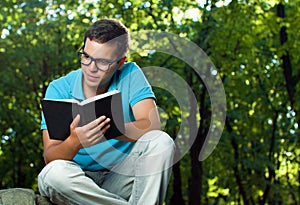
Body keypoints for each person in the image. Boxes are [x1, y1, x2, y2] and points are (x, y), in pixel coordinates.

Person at [38, 19, 175, 205]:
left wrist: (109, 129)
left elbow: (152, 127)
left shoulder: (130, 74)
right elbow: (50, 156)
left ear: (120, 63)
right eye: (86, 56)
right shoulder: (59, 88)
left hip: (122, 177)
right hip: (79, 183)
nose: (91, 68)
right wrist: (75, 141)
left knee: (162, 142)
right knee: (52, 175)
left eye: (103, 62)